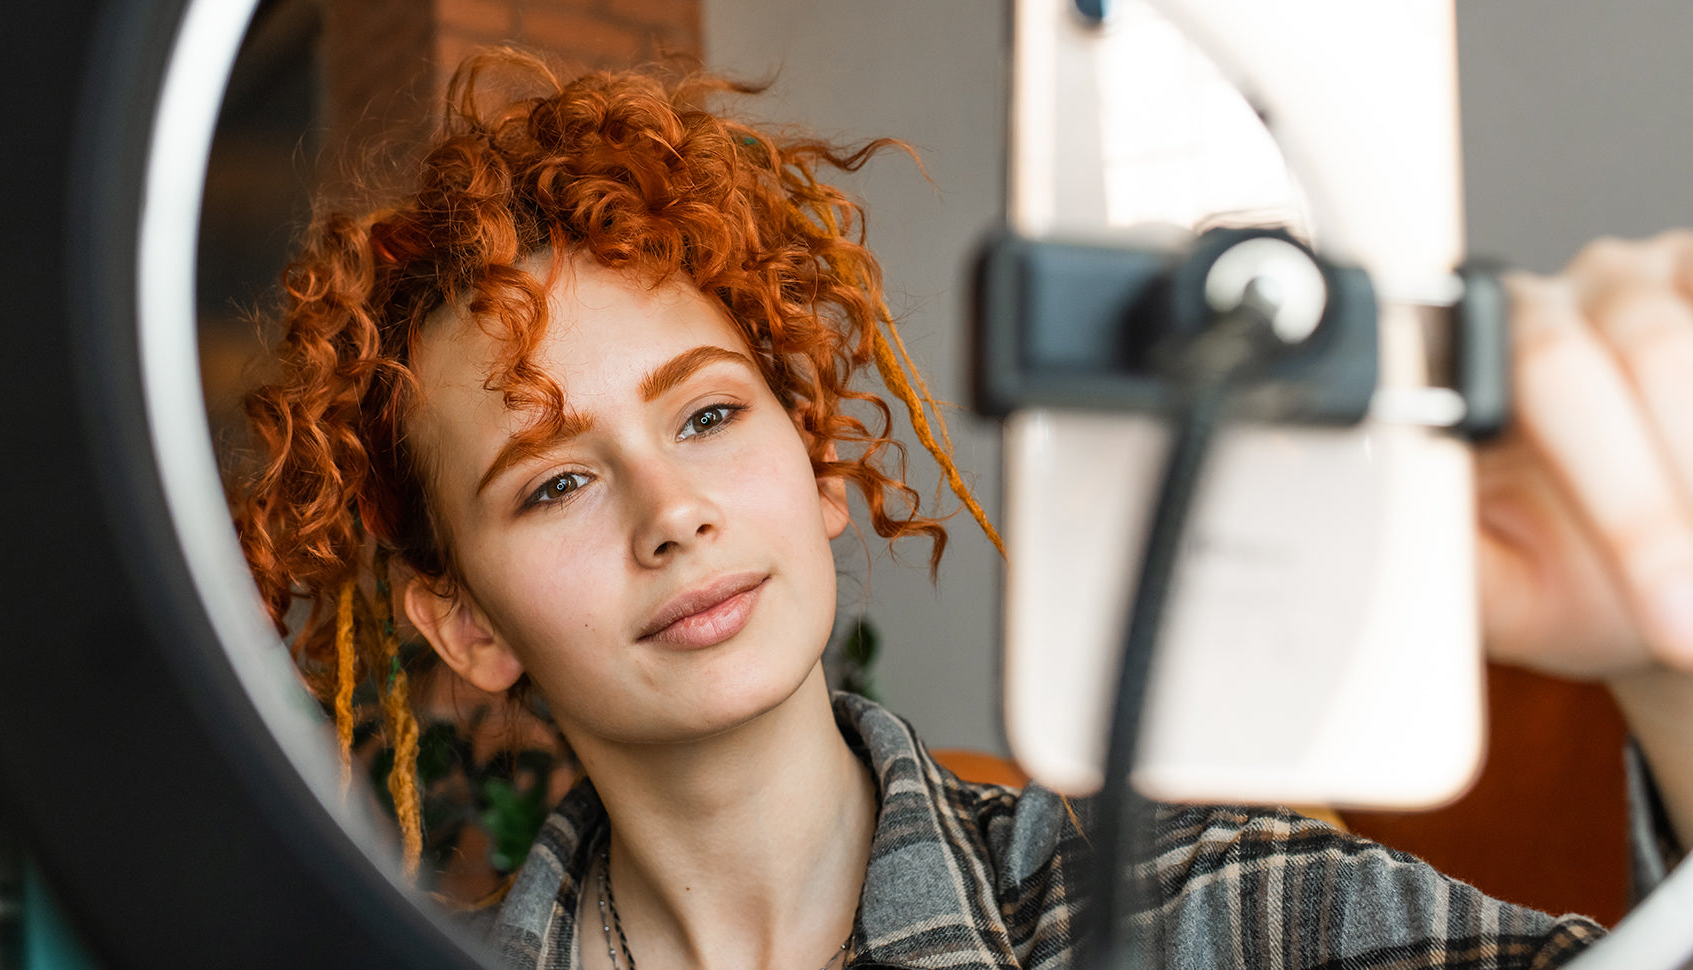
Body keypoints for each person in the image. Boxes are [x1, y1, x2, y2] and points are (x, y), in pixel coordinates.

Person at [232, 49, 1692, 969]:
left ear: (821, 467)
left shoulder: (1208, 912)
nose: (667, 510)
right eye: (555, 481)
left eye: (708, 413)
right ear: (466, 621)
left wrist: (1666, 660)